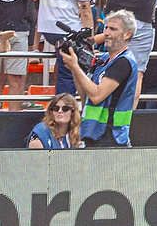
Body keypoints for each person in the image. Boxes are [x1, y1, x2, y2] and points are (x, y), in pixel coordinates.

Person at [60, 9, 140, 148]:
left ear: (127, 34)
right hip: (93, 132)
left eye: (113, 29)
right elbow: (86, 95)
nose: (106, 33)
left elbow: (97, 95)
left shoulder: (124, 62)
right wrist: (74, 67)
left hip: (111, 135)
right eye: (106, 28)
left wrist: (75, 67)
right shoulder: (103, 60)